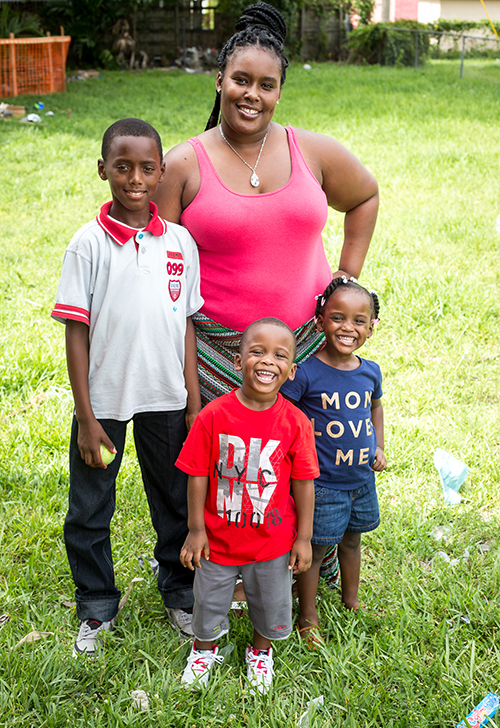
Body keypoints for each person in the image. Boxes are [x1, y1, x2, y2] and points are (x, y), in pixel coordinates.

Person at [153, 1, 379, 590]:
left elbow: (365, 196)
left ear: (280, 90)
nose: (252, 95)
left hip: (306, 347)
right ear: (219, 80)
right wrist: (178, 373)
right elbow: (156, 270)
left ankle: (310, 547)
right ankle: (228, 565)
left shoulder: (311, 151)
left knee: (306, 462)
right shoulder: (184, 163)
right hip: (218, 356)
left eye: (267, 85)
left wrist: (345, 280)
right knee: (236, 470)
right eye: (241, 81)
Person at [51, 118, 204, 657]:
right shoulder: (87, 245)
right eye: (122, 167)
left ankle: (181, 591)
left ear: (161, 172)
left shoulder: (181, 242)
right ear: (102, 171)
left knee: (175, 499)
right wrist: (86, 417)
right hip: (106, 399)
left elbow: (185, 321)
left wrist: (192, 396)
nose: (135, 178)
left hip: (167, 394)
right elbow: (77, 331)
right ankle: (95, 603)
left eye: (146, 168)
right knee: (90, 506)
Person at [176, 318, 319, 691]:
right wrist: (195, 530)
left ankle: (261, 652)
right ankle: (204, 649)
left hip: (271, 543)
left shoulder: (295, 423)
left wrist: (303, 538)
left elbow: (304, 483)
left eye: (279, 355)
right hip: (218, 542)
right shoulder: (213, 416)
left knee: (271, 604)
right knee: (207, 604)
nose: (267, 361)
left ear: (291, 370)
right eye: (257, 351)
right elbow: (197, 475)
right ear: (238, 362)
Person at [280, 277, 387, 644]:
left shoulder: (370, 370)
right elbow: (285, 414)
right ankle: (308, 616)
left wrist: (380, 446)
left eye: (359, 320)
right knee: (315, 548)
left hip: (361, 480)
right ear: (319, 322)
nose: (348, 327)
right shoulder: (307, 372)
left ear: (372, 328)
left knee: (353, 542)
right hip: (322, 484)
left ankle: (351, 600)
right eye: (338, 317)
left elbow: (376, 407)